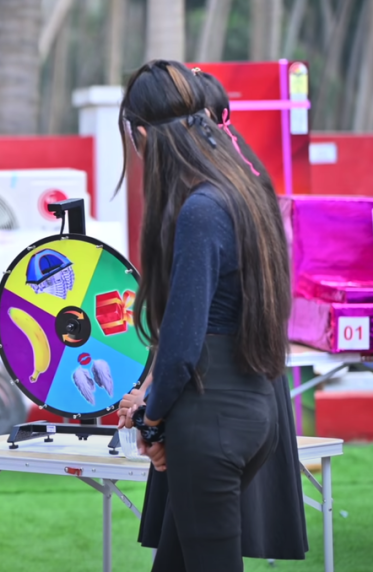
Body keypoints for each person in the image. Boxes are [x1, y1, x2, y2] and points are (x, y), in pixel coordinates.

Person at [117, 66, 309, 563]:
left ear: (143, 136)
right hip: (253, 411)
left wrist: (150, 422)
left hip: (212, 422)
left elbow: (182, 344)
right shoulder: (244, 191)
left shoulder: (201, 209)